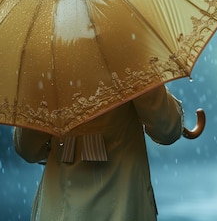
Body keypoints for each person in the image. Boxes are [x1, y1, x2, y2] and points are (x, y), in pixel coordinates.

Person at [13, 85, 184, 221]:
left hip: (58, 209)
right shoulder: (129, 51)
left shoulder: (46, 62)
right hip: (124, 205)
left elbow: (27, 148)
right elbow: (166, 128)